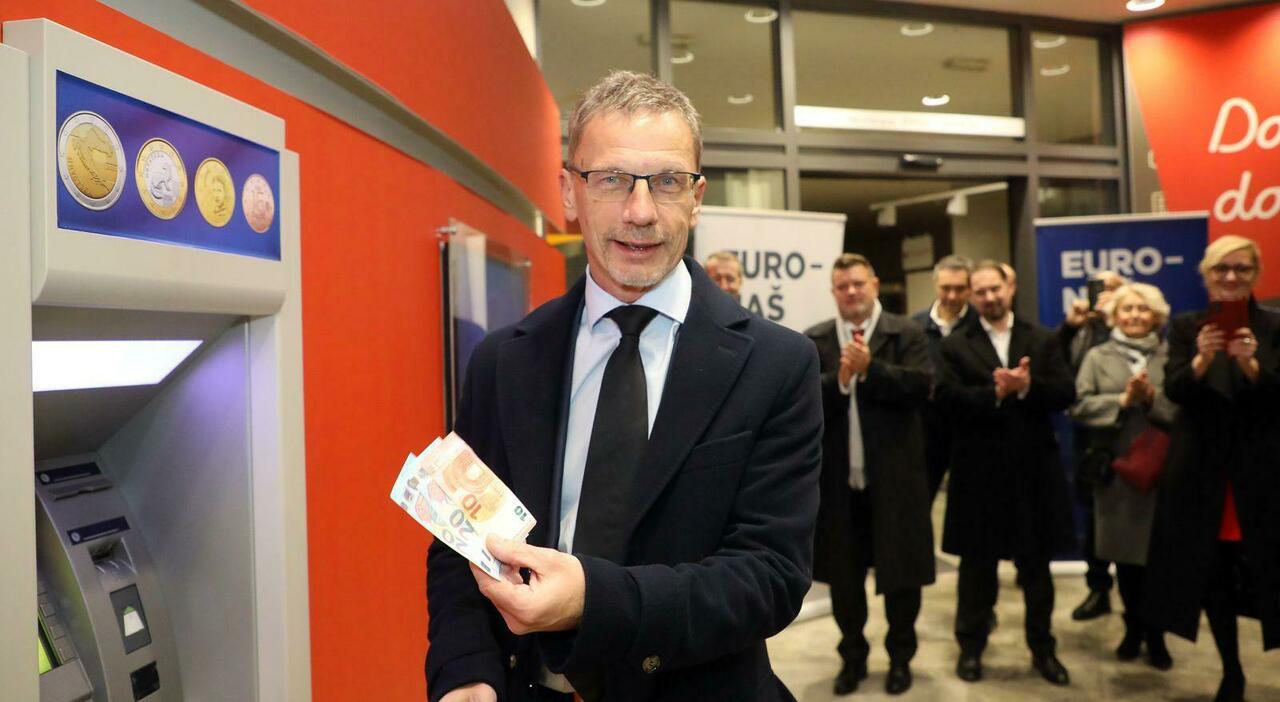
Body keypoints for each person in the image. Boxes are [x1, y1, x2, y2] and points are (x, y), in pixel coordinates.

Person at [425, 70, 823, 702]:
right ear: (569, 192)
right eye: (611, 179)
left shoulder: (776, 364)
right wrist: (466, 670)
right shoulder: (504, 361)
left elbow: (769, 576)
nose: (641, 213)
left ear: (696, 196)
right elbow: (460, 540)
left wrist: (592, 601)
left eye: (666, 181)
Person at [1144, 235, 1280, 702]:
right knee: (1214, 575)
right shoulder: (1187, 326)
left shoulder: (1274, 324)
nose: (1231, 277)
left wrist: (1252, 366)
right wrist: (1202, 359)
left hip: (1263, 473)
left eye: (1241, 268)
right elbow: (1175, 391)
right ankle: (1231, 671)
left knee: (1271, 571)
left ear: (1255, 274)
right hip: (1204, 474)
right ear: (1206, 275)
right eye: (1221, 268)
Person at [936, 260, 1077, 687]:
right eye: (980, 292)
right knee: (976, 573)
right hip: (978, 477)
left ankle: (1043, 649)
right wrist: (996, 393)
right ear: (971, 296)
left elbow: (1065, 392)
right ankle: (971, 648)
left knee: (1036, 571)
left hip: (1033, 475)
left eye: (994, 289)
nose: (989, 297)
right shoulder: (955, 344)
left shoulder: (1042, 338)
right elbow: (946, 399)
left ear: (1009, 288)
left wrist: (1027, 387)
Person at [806, 254, 935, 696]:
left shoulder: (907, 332)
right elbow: (803, 404)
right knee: (845, 582)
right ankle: (853, 657)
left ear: (875, 285)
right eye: (842, 286)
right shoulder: (816, 339)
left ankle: (901, 659)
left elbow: (922, 386)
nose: (851, 292)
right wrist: (841, 380)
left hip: (897, 484)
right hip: (838, 487)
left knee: (902, 580)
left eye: (858, 284)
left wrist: (870, 370)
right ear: (833, 292)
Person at [1069, 282, 1176, 670]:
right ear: (1114, 316)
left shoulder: (1173, 355)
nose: (1134, 316)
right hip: (1117, 470)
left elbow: (1187, 409)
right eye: (1127, 309)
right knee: (1127, 560)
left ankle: (1157, 635)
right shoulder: (1097, 356)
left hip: (1164, 471)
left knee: (1160, 560)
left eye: (1142, 309)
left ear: (1156, 316)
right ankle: (1133, 628)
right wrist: (1121, 401)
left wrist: (1151, 400)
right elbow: (1079, 406)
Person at [1059, 270, 1129, 623]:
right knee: (1092, 516)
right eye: (1097, 289)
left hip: (1135, 439)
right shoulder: (1083, 330)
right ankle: (1098, 588)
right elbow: (1064, 376)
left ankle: (1140, 608)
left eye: (1111, 289)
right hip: (1090, 439)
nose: (1103, 296)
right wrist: (1073, 327)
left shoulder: (1137, 324)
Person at [911, 254, 977, 499]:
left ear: (970, 288)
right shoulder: (914, 327)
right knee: (920, 498)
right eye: (946, 288)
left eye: (959, 288)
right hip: (926, 429)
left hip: (969, 429)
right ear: (935, 284)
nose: (952, 295)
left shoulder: (980, 325)